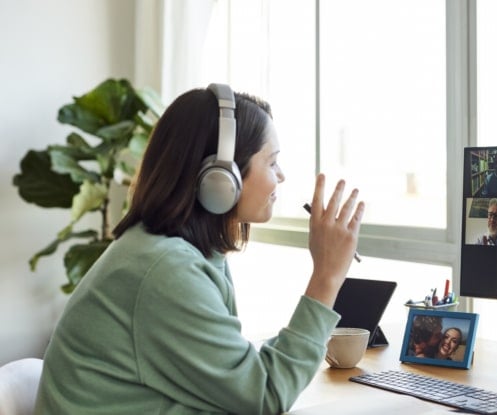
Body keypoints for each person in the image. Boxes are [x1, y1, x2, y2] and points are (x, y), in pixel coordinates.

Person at [35, 84, 365, 415]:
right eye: (272, 162)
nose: (281, 175)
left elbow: (240, 377)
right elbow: (265, 396)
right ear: (222, 176)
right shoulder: (166, 269)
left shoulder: (174, 252)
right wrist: (326, 275)